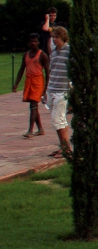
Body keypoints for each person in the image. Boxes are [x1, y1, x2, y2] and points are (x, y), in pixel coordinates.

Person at [13, 34, 48, 138]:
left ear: (38, 42)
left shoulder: (42, 55)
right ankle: (40, 129)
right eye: (31, 41)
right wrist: (16, 84)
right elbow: (21, 69)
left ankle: (30, 130)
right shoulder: (26, 54)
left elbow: (47, 72)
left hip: (38, 81)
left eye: (35, 41)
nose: (33, 43)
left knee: (33, 105)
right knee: (34, 106)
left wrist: (46, 87)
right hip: (29, 80)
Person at [45, 26, 72, 160]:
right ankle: (63, 146)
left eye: (57, 37)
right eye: (53, 37)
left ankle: (66, 148)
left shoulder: (69, 50)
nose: (54, 40)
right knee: (60, 120)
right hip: (52, 88)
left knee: (58, 120)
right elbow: (51, 71)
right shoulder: (54, 53)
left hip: (62, 90)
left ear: (63, 38)